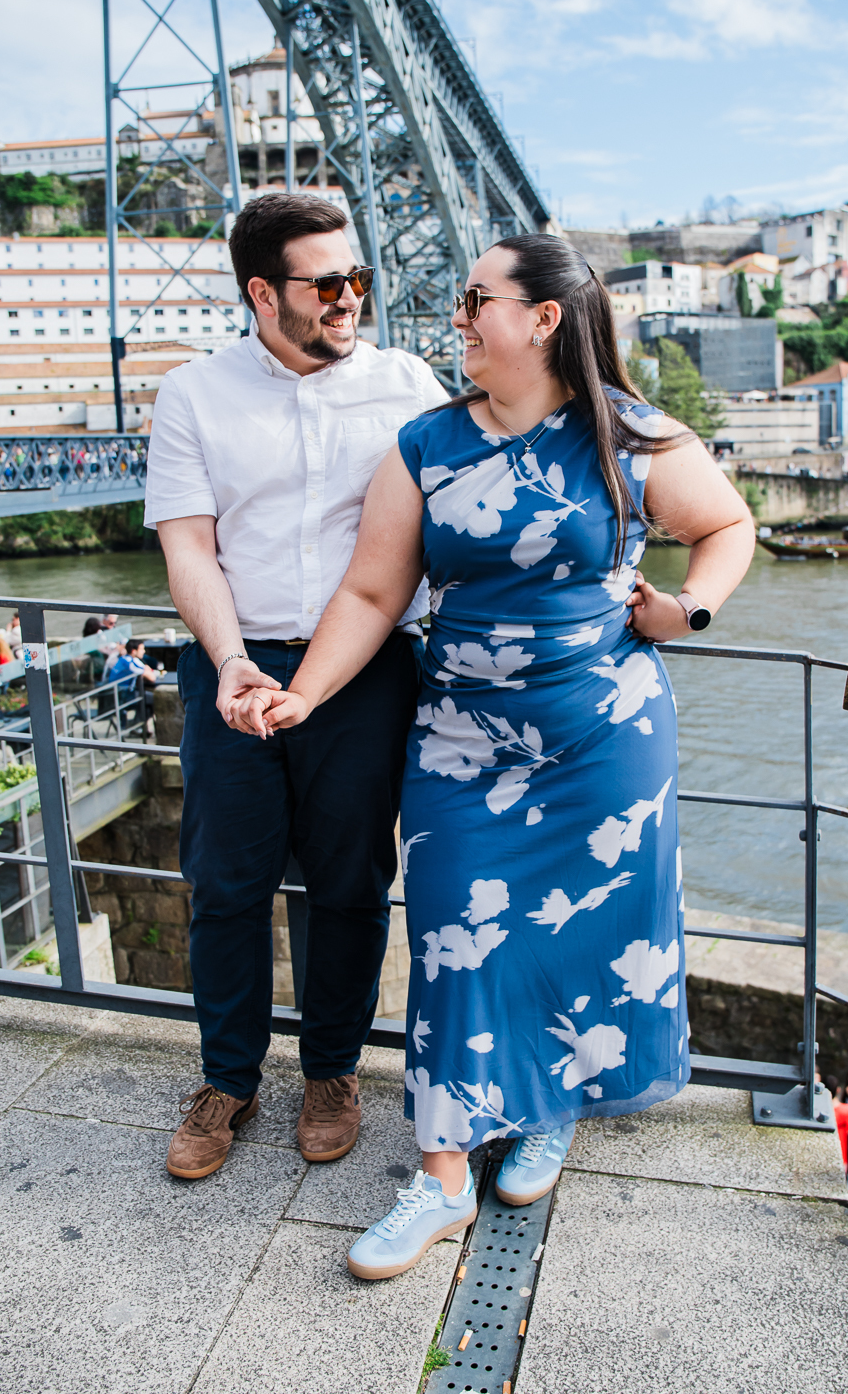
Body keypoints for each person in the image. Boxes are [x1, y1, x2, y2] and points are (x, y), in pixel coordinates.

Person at [256, 231, 755, 1278]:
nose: (458, 316)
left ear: (541, 319)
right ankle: (439, 1182)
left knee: (579, 939)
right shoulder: (429, 445)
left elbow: (727, 526)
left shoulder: (632, 436)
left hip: (602, 737)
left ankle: (549, 1108)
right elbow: (372, 593)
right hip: (462, 740)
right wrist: (302, 693)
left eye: (476, 298)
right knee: (452, 937)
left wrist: (687, 610)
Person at [144, 191, 449, 1182]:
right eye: (327, 283)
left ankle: (330, 1072)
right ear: (261, 293)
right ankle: (227, 1080)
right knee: (225, 884)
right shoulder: (194, 395)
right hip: (236, 661)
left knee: (352, 882)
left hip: (365, 672)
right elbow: (189, 548)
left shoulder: (410, 385)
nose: (350, 297)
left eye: (357, 277)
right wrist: (230, 660)